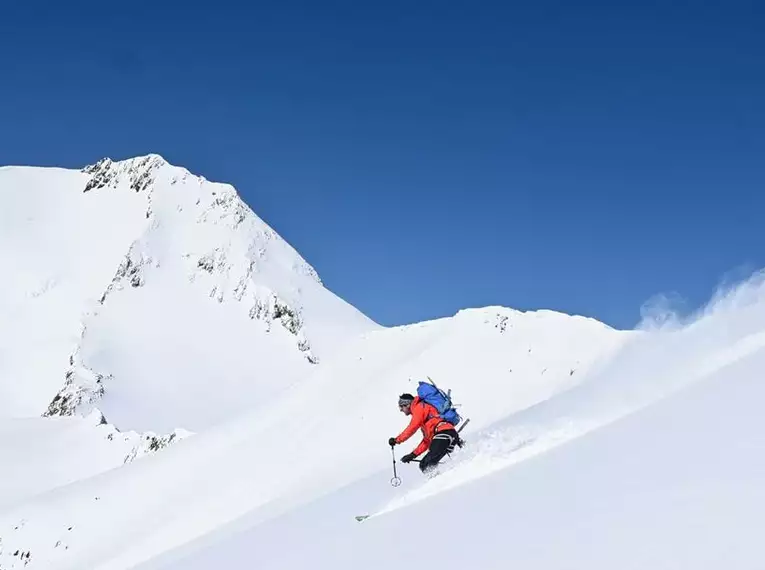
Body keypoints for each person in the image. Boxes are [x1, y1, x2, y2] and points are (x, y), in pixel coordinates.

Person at [388, 392, 461, 475]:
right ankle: (444, 479)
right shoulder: (424, 418)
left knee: (426, 464)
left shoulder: (419, 408)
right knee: (424, 464)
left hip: (444, 433)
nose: (401, 410)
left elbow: (412, 428)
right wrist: (413, 455)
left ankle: (440, 482)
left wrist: (397, 440)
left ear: (407, 404)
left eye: (401, 406)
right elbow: (427, 440)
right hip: (448, 434)